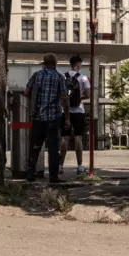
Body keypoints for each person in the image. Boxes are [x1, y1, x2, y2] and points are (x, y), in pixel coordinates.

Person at [24, 53, 70, 184]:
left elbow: (26, 92)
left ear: (43, 63)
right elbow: (65, 99)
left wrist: (35, 102)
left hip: (38, 117)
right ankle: (53, 176)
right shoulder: (60, 78)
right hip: (54, 118)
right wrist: (67, 118)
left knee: (35, 146)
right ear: (55, 63)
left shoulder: (36, 75)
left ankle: (30, 174)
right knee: (53, 148)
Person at [60, 55, 91, 176]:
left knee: (64, 138)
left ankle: (60, 166)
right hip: (79, 111)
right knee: (78, 137)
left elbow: (61, 94)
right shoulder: (83, 78)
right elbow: (88, 95)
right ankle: (79, 166)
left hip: (64, 111)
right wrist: (79, 98)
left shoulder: (63, 76)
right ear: (78, 65)